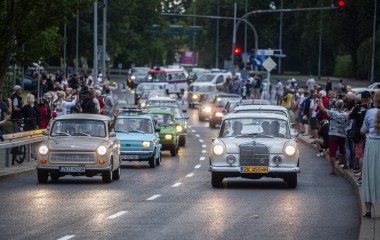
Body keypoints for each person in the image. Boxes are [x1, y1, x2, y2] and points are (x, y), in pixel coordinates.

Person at [360, 89, 380, 218]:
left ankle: (368, 210)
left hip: (372, 144)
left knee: (369, 175)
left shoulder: (369, 112)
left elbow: (363, 129)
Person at [318, 99, 347, 175]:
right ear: (342, 106)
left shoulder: (332, 113)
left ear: (335, 106)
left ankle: (333, 169)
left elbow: (322, 109)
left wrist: (319, 100)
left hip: (333, 134)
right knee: (343, 150)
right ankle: (346, 164)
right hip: (342, 135)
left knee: (332, 152)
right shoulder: (346, 114)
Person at [349, 90, 372, 184]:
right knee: (369, 156)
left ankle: (362, 177)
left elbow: (350, 117)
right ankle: (370, 176)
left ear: (362, 98)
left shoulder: (357, 107)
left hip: (359, 135)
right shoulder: (373, 108)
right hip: (371, 135)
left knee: (360, 156)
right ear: (369, 98)